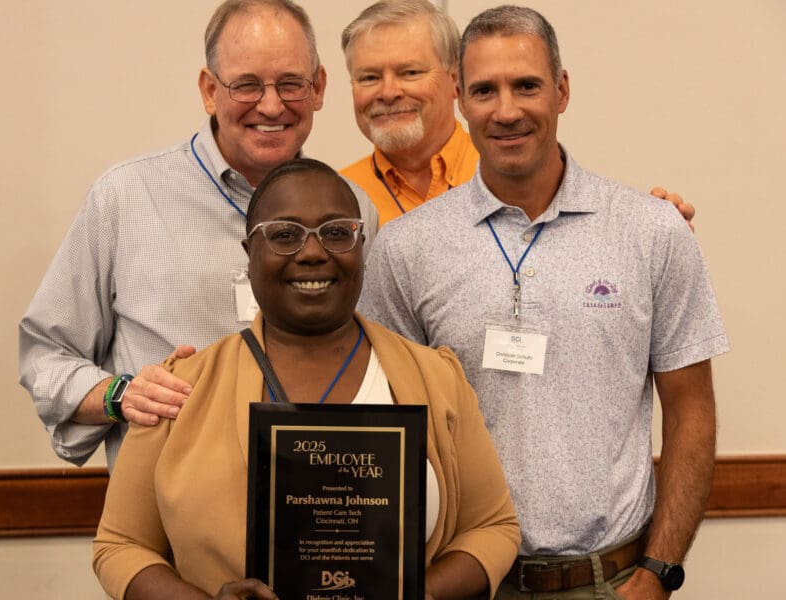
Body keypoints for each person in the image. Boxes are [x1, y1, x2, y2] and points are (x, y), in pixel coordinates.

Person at [358, 6, 729, 599]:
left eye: (526, 85)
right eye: (485, 90)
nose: (506, 111)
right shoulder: (406, 249)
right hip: (464, 581)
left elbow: (692, 411)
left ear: (562, 90)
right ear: (459, 97)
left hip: (611, 580)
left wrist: (659, 574)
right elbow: (382, 427)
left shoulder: (650, 231)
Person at [92, 158, 521, 600]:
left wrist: (417, 594)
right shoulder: (179, 388)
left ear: (360, 246)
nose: (313, 251)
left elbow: (492, 527)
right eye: (284, 234)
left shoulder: (435, 378)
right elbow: (121, 545)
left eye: (336, 232)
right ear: (249, 253)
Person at [18, 0, 379, 468]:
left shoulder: (354, 213)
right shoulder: (126, 197)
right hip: (167, 502)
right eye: (246, 85)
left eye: (291, 83)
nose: (272, 105)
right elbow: (45, 354)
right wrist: (121, 394)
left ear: (319, 88)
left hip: (317, 495)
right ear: (210, 91)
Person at [338, 0, 695, 228]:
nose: (388, 92)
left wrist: (651, 232)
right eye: (369, 77)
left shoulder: (515, 163)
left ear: (454, 82)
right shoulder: (335, 198)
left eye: (410, 72)